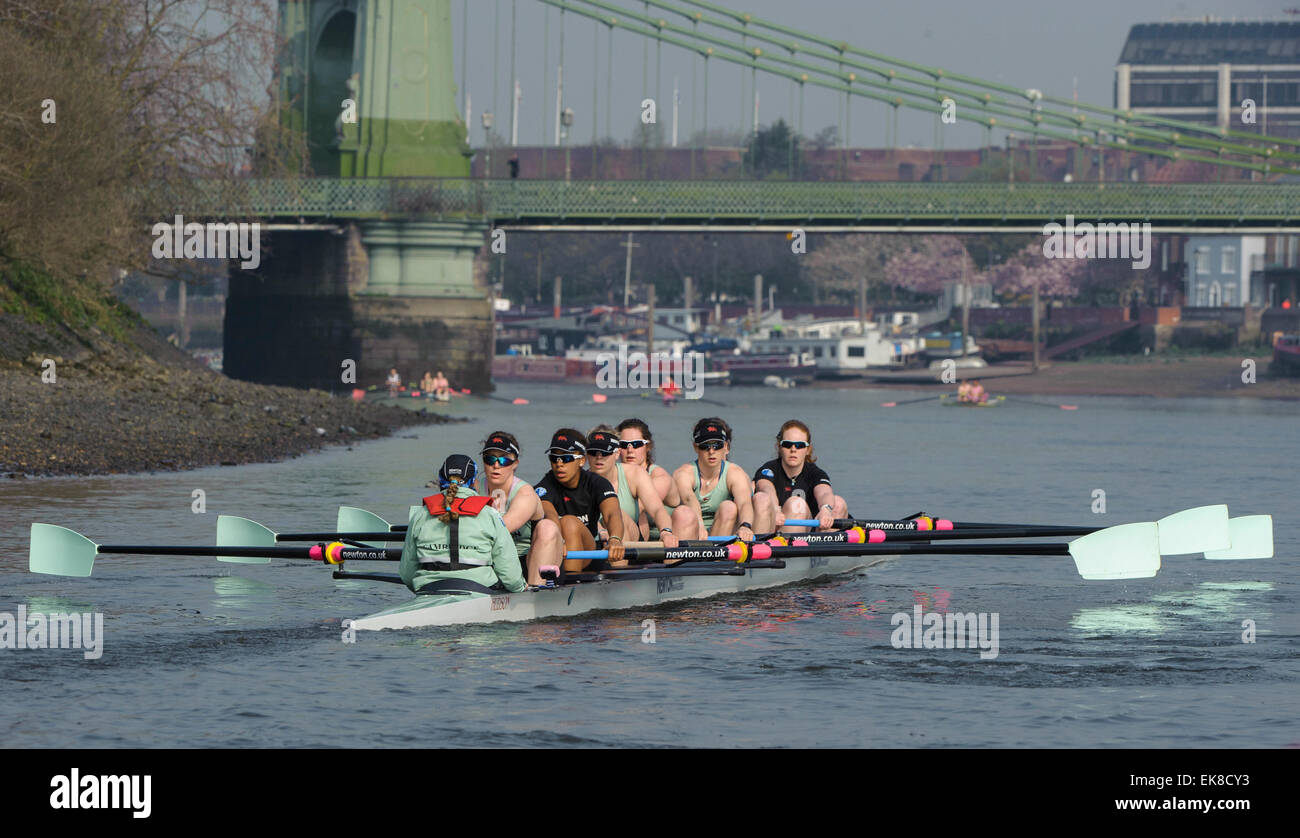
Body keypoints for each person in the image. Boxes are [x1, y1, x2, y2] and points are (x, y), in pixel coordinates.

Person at [398, 454, 526, 595]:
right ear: (474, 482)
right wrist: (520, 589)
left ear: (440, 480)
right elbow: (510, 575)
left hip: (429, 588)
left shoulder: (420, 514)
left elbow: (407, 574)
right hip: (480, 588)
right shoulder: (490, 514)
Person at [534, 429, 626, 575]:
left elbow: (612, 514)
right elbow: (549, 515)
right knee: (564, 523)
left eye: (566, 458)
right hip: (557, 549)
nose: (559, 464)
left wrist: (615, 539)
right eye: (554, 458)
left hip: (589, 553)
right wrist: (560, 542)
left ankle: (571, 580)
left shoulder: (597, 483)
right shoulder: (543, 487)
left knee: (569, 522)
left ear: (581, 461)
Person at [480, 431, 563, 587]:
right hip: (493, 560)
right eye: (490, 459)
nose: (496, 465)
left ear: (515, 464)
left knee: (547, 527)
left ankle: (535, 590)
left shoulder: (525, 493)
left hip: (529, 562)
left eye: (504, 460)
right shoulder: (475, 488)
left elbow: (500, 529)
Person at [585, 426, 680, 549]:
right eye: (593, 452)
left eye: (605, 452)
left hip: (629, 539)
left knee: (619, 518)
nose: (599, 457)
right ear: (586, 455)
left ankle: (618, 566)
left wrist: (666, 532)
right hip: (595, 539)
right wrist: (601, 531)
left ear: (617, 453)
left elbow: (657, 509)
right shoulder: (579, 480)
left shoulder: (635, 474)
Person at [752, 420, 848, 532]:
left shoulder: (815, 473)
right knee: (796, 504)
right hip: (775, 529)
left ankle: (825, 546)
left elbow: (825, 492)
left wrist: (826, 509)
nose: (793, 450)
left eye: (799, 445)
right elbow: (766, 488)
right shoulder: (768, 470)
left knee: (838, 503)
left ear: (808, 450)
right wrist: (776, 510)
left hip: (811, 529)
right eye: (787, 445)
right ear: (779, 447)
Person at [671, 418, 758, 541]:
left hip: (722, 529)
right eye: (705, 446)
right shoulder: (683, 473)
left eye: (717, 445)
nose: (711, 451)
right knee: (684, 512)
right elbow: (689, 499)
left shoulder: (736, 473)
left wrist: (746, 526)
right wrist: (700, 525)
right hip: (691, 530)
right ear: (696, 447)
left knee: (729, 507)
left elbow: (744, 503)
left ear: (726, 447)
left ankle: (715, 558)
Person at [616, 417, 682, 539]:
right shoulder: (615, 473)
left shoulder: (659, 476)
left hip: (668, 537)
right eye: (624, 445)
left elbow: (637, 508)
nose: (630, 450)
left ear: (648, 446)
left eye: (636, 444)